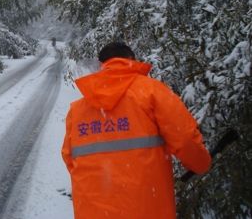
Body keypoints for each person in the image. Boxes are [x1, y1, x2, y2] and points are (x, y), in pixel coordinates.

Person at [61, 42, 211, 219]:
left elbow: (69, 158)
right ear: (131, 60)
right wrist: (202, 164)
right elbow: (185, 139)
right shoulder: (152, 92)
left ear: (101, 65)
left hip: (93, 211)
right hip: (146, 209)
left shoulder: (78, 110)